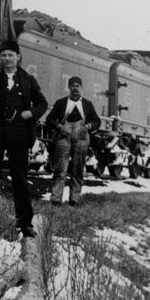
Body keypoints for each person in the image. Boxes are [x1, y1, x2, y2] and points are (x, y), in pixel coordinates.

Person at [0, 40, 48, 238]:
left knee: (20, 177)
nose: (7, 58)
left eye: (11, 55)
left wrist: (31, 113)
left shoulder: (28, 80)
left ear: (18, 57)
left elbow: (42, 103)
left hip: (19, 132)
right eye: (3, 55)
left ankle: (25, 223)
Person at [45, 76, 101, 206]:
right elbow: (49, 119)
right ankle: (56, 200)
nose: (75, 88)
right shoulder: (61, 103)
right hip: (63, 138)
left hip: (81, 139)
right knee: (60, 169)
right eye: (72, 86)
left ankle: (74, 200)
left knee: (78, 169)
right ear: (69, 87)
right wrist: (59, 127)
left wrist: (88, 126)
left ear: (81, 88)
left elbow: (97, 121)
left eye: (77, 86)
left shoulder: (87, 104)